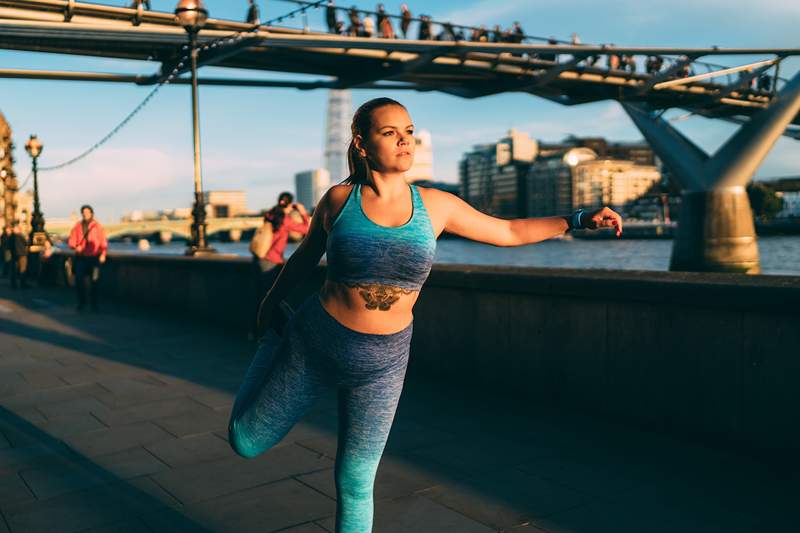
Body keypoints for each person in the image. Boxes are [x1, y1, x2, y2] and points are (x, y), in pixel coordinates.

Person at [227, 97, 622, 532]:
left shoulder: (437, 206)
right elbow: (302, 261)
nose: (405, 141)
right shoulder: (340, 200)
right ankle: (272, 342)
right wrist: (268, 307)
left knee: (357, 481)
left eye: (409, 132)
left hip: (383, 364)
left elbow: (508, 231)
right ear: (361, 144)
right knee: (245, 442)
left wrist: (579, 218)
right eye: (390, 133)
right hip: (315, 343)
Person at [67, 205, 107, 311]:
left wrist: (103, 254)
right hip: (81, 258)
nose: (85, 214)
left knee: (95, 281)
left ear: (91, 213)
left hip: (94, 258)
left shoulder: (97, 226)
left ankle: (94, 304)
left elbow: (103, 241)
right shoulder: (77, 226)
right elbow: (71, 241)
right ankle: (82, 302)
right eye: (83, 212)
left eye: (87, 212)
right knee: (79, 281)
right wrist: (76, 247)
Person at [9, 223, 28, 289]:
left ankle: (13, 284)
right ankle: (22, 284)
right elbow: (26, 243)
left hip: (14, 255)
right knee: (22, 269)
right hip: (21, 254)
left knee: (14, 270)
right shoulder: (20, 236)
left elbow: (9, 246)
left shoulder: (11, 236)